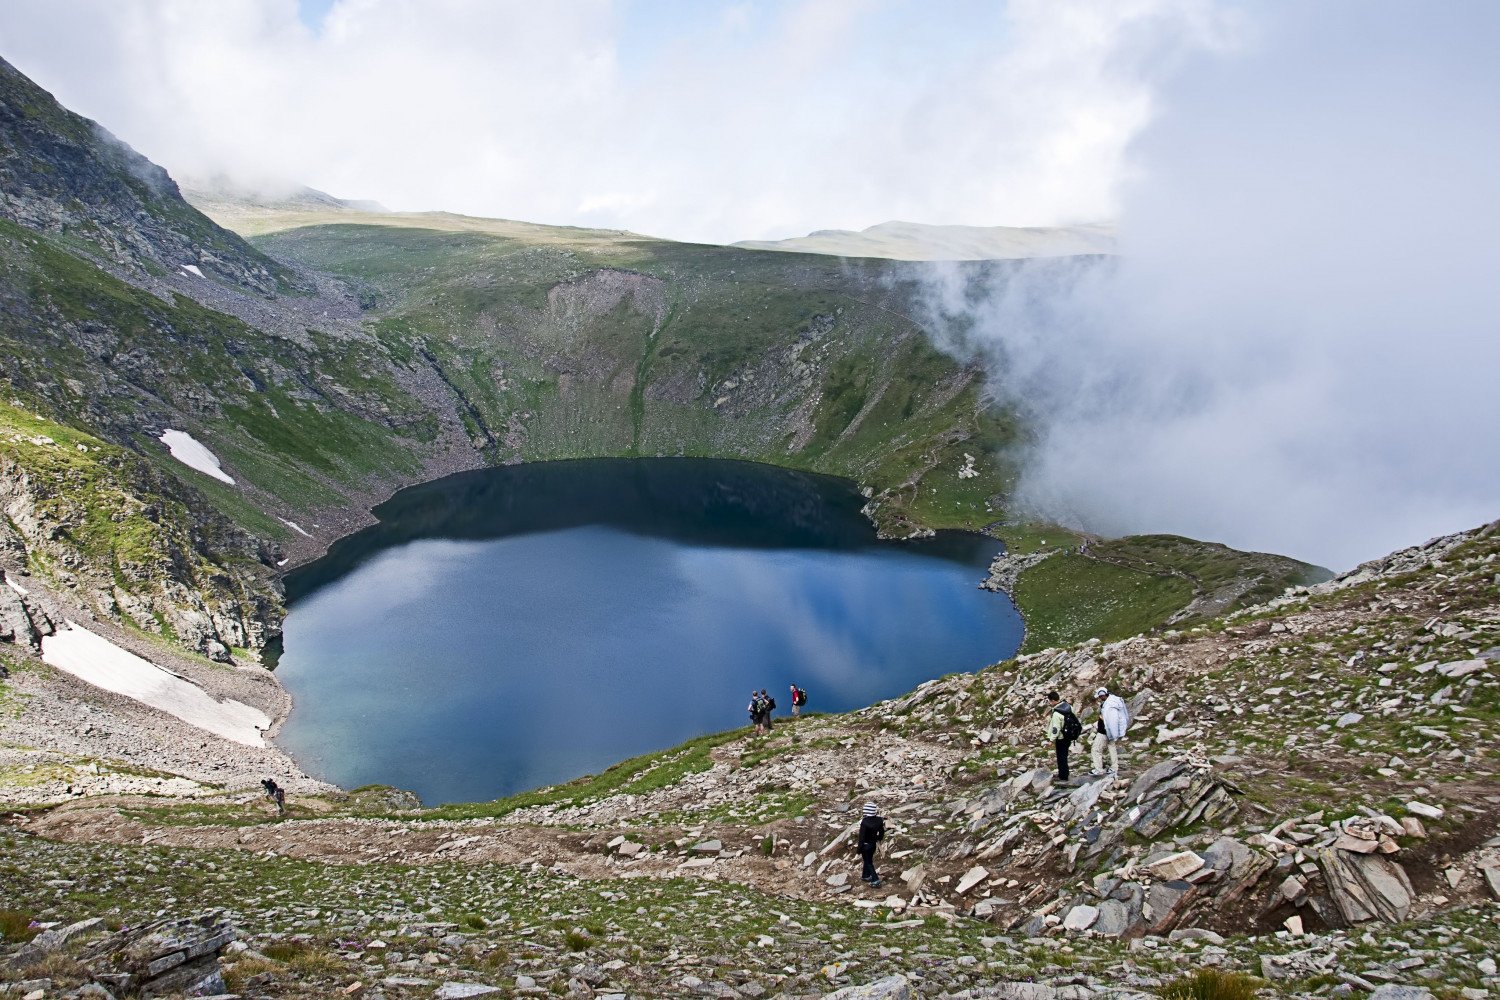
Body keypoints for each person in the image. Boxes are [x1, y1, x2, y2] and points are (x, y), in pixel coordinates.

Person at [1091, 687, 1131, 775]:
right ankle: (1114, 767)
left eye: (1100, 696)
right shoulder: (1112, 702)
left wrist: (1110, 731)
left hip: (1104, 731)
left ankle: (1099, 769)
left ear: (1102, 695)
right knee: (1111, 748)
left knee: (1095, 749)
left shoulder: (1109, 706)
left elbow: (1111, 720)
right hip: (1110, 732)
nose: (1099, 698)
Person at [1045, 691, 1080, 782]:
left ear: (1053, 701)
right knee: (1064, 755)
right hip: (1069, 735)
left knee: (1061, 757)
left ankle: (1063, 776)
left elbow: (1056, 728)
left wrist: (1051, 740)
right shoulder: (1068, 707)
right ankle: (1065, 773)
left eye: (1049, 701)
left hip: (1061, 737)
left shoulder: (1057, 713)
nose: (1049, 703)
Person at [857, 801, 885, 887]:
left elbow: (861, 837)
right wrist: (878, 839)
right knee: (868, 860)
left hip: (865, 845)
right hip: (873, 844)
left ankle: (875, 880)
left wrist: (859, 849)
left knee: (868, 862)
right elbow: (881, 831)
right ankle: (865, 875)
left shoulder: (864, 822)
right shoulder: (879, 820)